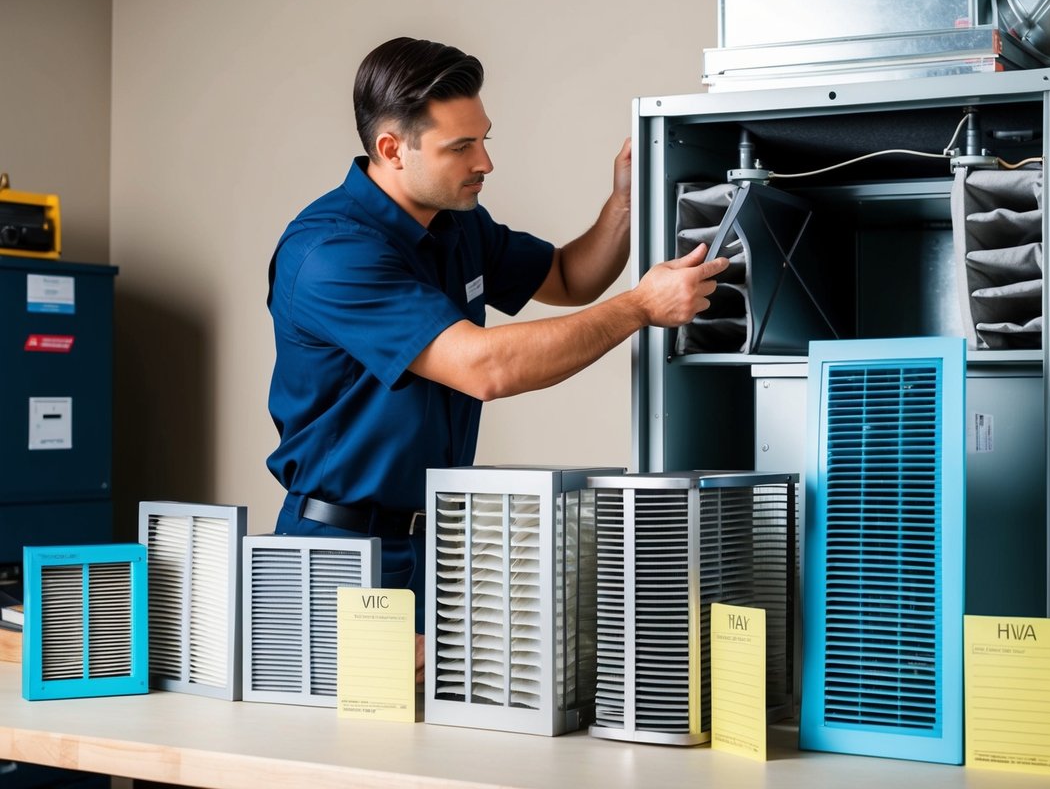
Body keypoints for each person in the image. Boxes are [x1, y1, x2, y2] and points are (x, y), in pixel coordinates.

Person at [266, 36, 727, 679]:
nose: (486, 161)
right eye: (462, 146)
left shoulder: (456, 225)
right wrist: (641, 308)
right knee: (343, 753)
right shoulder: (332, 254)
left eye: (483, 138)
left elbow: (570, 275)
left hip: (437, 543)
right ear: (392, 149)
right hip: (343, 549)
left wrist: (624, 200)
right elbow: (484, 368)